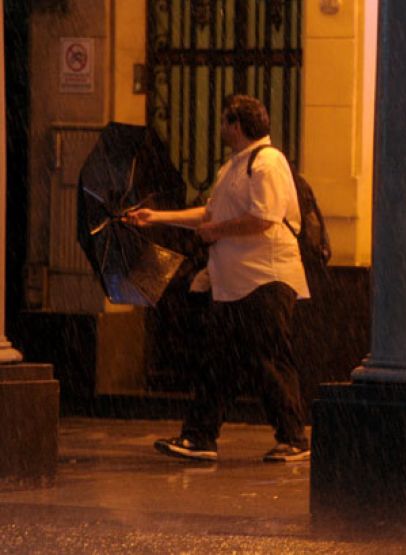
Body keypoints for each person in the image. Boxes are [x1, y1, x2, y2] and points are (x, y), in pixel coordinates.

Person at [126, 94, 311, 463]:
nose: (221, 128)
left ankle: (294, 438)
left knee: (268, 359)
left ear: (236, 125)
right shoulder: (234, 166)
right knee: (219, 362)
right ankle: (199, 437)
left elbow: (265, 219)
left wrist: (217, 232)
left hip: (265, 279)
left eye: (224, 121)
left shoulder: (267, 162)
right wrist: (157, 218)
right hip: (232, 283)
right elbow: (208, 214)